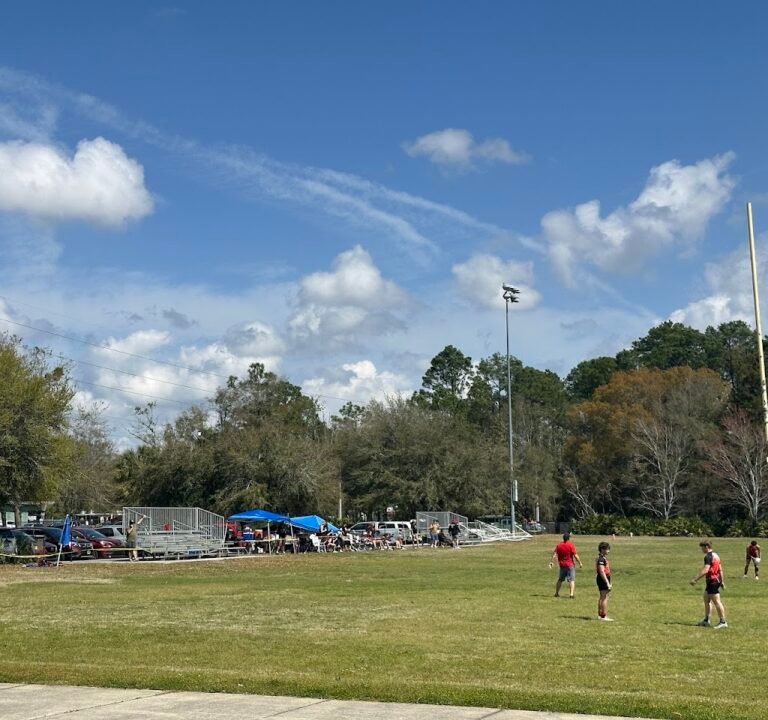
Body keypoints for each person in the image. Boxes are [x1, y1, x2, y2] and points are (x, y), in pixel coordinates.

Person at [691, 540, 728, 629]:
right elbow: (720, 569)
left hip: (713, 581)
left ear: (706, 547)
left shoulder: (708, 556)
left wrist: (695, 579)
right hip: (715, 581)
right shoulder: (716, 555)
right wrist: (722, 581)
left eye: (702, 548)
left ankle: (723, 622)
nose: (702, 550)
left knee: (717, 602)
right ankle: (706, 620)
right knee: (706, 599)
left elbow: (706, 570)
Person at [549, 532, 583, 598]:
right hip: (570, 565)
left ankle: (556, 593)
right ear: (569, 538)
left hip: (562, 565)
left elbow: (554, 554)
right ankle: (571, 594)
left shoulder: (559, 545)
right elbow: (575, 555)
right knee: (571, 580)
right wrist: (580, 563)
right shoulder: (571, 545)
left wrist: (551, 562)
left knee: (560, 580)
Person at [595, 541, 613, 621]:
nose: (608, 551)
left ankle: (600, 614)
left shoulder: (601, 558)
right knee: (604, 597)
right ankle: (603, 616)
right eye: (607, 549)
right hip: (603, 579)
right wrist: (607, 583)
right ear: (602, 549)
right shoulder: (601, 559)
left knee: (602, 597)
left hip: (603, 578)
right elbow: (602, 571)